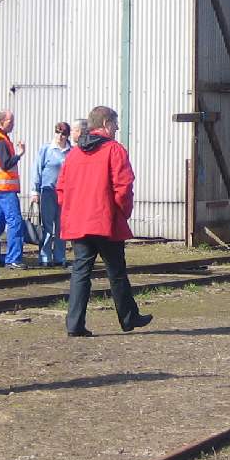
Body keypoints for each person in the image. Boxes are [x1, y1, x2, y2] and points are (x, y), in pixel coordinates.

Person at [57, 106, 152, 337]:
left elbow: (61, 189)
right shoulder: (114, 150)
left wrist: (71, 211)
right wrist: (122, 213)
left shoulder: (74, 154)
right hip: (105, 220)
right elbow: (123, 186)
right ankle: (128, 318)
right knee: (116, 271)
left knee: (81, 272)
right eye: (115, 124)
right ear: (106, 124)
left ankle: (74, 324)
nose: (117, 128)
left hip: (79, 221)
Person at [0, 109, 26, 269]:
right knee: (15, 223)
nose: (13, 124)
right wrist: (20, 154)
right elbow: (5, 164)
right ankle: (13, 259)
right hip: (5, 188)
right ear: (3, 121)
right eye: (11, 121)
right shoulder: (0, 140)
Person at [31, 122, 73, 266]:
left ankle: (60, 257)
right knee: (47, 225)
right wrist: (35, 190)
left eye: (63, 133)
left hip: (65, 193)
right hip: (48, 191)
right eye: (58, 132)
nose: (60, 136)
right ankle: (45, 256)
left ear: (68, 135)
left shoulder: (71, 151)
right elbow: (37, 169)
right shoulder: (46, 149)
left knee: (62, 226)